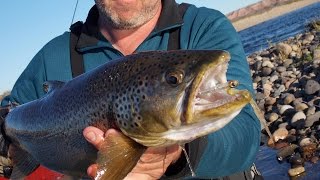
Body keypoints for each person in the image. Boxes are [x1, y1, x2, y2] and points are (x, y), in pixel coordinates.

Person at [0, 0, 261, 179]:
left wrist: (176, 156)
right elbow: (10, 114)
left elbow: (245, 135)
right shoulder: (51, 58)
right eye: (173, 80)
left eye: (172, 79)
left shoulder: (203, 27)